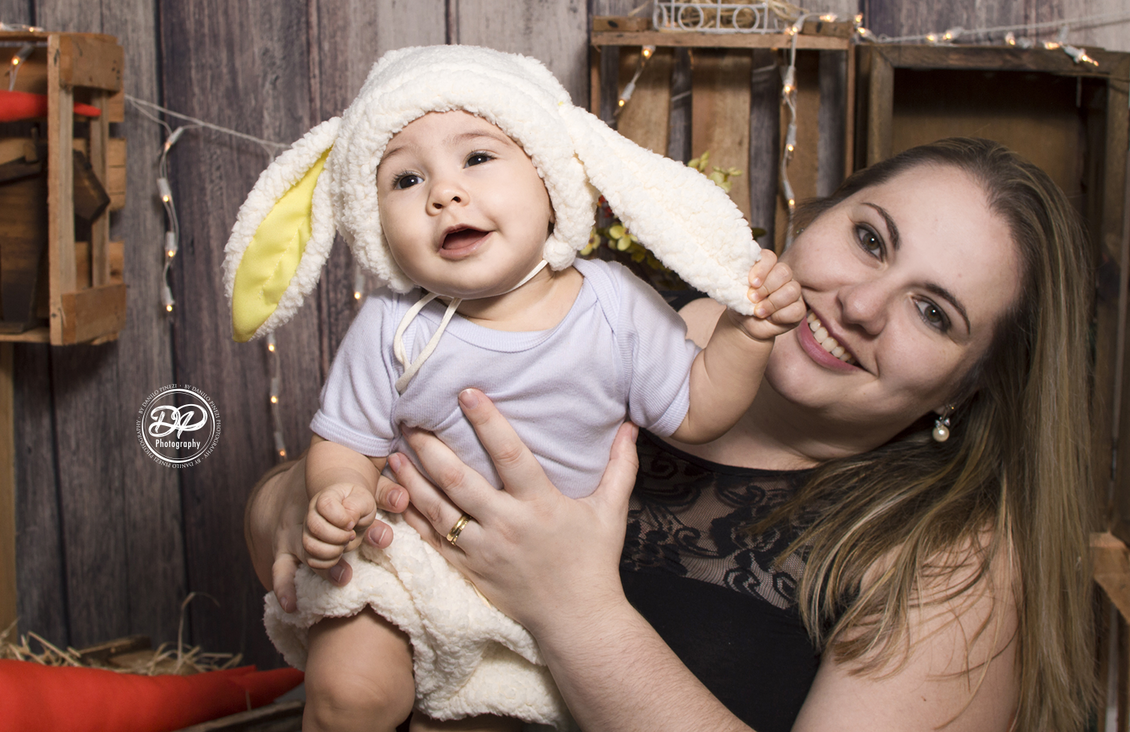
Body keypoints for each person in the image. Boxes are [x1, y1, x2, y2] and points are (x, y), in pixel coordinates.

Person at [247, 137, 1098, 732]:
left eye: (933, 312)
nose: (861, 305)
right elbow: (295, 514)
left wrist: (576, 613)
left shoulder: (951, 558)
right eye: (869, 239)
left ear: (969, 386)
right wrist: (302, 505)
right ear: (816, 214)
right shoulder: (621, 319)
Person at [225, 45, 803, 732]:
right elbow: (344, 441)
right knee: (352, 693)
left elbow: (699, 407)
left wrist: (747, 334)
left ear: (553, 180)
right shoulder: (392, 325)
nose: (443, 193)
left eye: (477, 157)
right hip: (404, 557)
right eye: (406, 179)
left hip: (536, 598)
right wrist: (336, 491)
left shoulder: (614, 306)